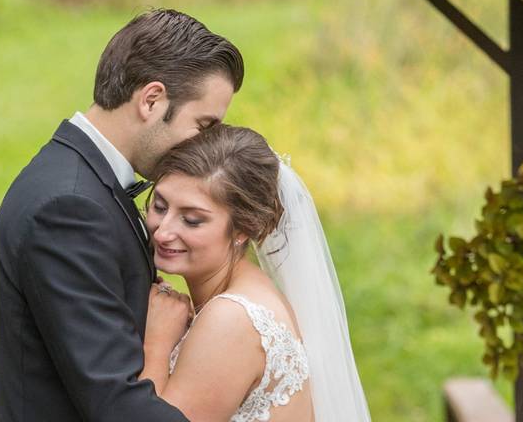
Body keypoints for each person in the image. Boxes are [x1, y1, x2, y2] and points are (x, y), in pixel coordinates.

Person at [0, 9, 244, 422]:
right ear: (152, 100)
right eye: (204, 125)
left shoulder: (79, 182)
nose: (206, 146)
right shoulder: (68, 208)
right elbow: (117, 403)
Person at [141, 124, 372, 421]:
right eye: (159, 206)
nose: (162, 231)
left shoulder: (232, 318)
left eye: (192, 220)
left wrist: (156, 343)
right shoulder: (251, 292)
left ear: (243, 229)